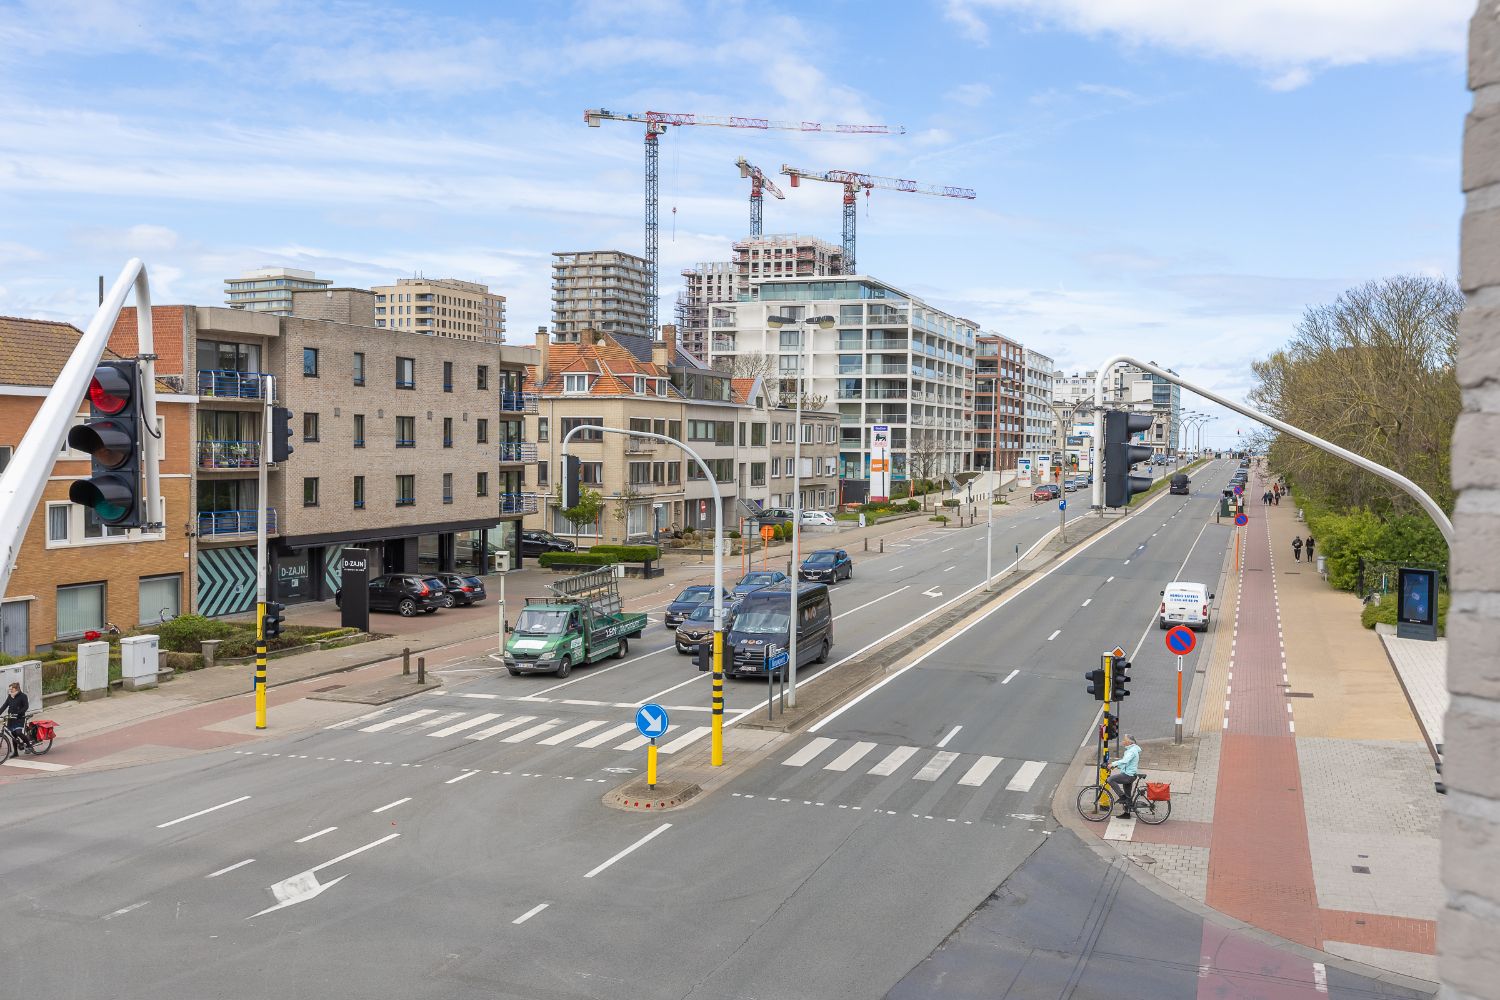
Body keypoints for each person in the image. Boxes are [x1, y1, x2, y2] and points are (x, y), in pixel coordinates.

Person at [1107, 734, 1141, 817]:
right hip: (1130, 774)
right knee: (1128, 795)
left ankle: (1122, 796)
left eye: (1124, 740)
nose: (1123, 741)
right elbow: (1126, 763)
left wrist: (1113, 764)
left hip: (1128, 775)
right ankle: (1127, 813)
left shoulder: (1131, 751)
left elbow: (1125, 761)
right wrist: (1116, 766)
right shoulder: (1131, 749)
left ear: (1129, 742)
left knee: (1110, 780)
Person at [1, 682, 28, 749]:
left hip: (19, 718)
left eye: (11, 689)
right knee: (13, 735)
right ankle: (15, 752)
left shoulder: (23, 696)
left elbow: (26, 707)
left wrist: (19, 713)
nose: (10, 690)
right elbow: (4, 706)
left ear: (16, 689)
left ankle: (29, 745)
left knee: (18, 733)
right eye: (9, 689)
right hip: (11, 718)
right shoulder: (10, 696)